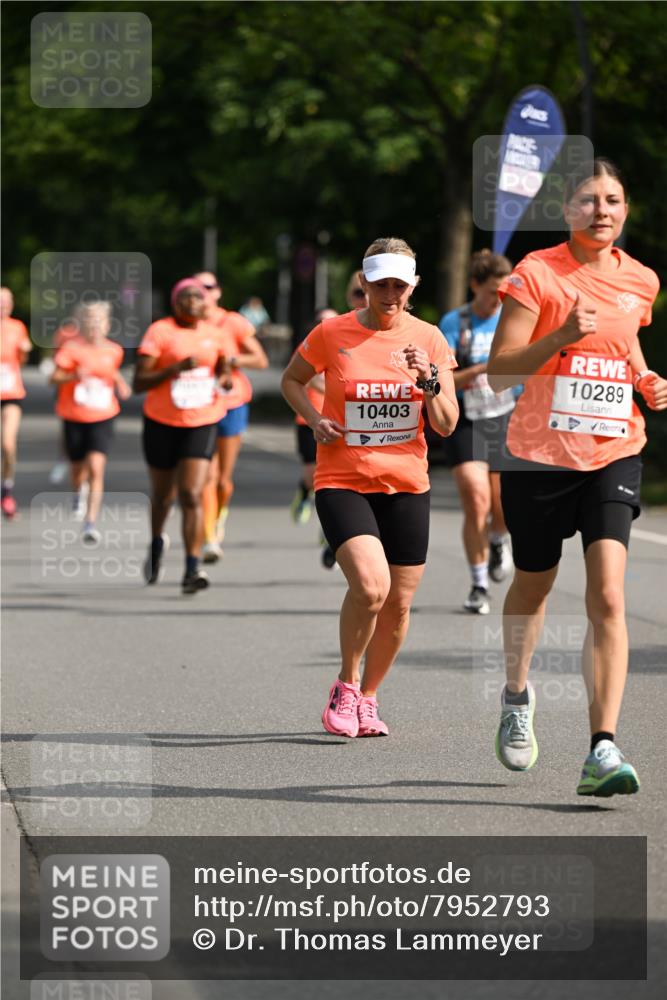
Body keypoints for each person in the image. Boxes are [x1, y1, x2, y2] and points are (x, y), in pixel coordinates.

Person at [487, 158, 665, 797]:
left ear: (626, 209)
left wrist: (644, 379)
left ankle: (603, 747)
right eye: (589, 201)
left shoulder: (640, 280)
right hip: (538, 456)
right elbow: (502, 371)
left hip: (614, 450)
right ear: (567, 211)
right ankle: (515, 695)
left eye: (614, 200)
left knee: (609, 595)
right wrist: (559, 335)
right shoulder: (537, 274)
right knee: (534, 586)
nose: (603, 211)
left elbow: (625, 347)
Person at [282, 237, 458, 737]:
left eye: (399, 285)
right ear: (363, 282)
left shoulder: (430, 340)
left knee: (399, 604)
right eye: (379, 283)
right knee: (371, 587)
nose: (389, 293)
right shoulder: (331, 332)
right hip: (343, 478)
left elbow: (445, 425)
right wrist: (314, 419)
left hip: (406, 483)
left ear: (413, 286)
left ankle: (369, 698)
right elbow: (292, 380)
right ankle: (346, 683)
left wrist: (429, 380)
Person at [133, 277, 231, 594]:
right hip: (161, 421)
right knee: (163, 496)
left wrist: (226, 377)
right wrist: (173, 369)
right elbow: (139, 381)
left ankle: (192, 567)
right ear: (175, 302)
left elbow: (221, 368)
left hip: (202, 420)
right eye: (186, 296)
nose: (193, 301)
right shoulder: (160, 332)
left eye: (198, 296)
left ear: (206, 303)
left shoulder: (215, 333)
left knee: (190, 493)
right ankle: (157, 542)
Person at [438, 250, 515, 615]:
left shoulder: (513, 320)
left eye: (503, 293)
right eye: (491, 292)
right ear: (474, 286)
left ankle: (499, 539)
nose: (497, 300)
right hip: (467, 419)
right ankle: (479, 584)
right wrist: (482, 369)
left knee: (502, 507)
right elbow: (443, 379)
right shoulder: (456, 323)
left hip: (504, 417)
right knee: (475, 497)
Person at [193, 272, 269, 563]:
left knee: (223, 479)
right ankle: (209, 538)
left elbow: (260, 360)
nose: (202, 291)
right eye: (196, 287)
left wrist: (232, 360)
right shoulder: (188, 323)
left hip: (231, 402)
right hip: (199, 405)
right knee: (207, 476)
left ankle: (220, 513)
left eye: (208, 286)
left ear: (218, 292)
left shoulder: (233, 322)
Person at [50, 301, 129, 542]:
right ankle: (78, 491)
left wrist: (121, 383)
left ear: (106, 325)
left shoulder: (114, 350)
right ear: (82, 324)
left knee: (96, 466)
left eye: (99, 322)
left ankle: (90, 523)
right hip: (74, 414)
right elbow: (54, 378)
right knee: (78, 469)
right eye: (90, 322)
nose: (94, 326)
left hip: (103, 415)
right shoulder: (71, 349)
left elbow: (111, 369)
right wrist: (74, 375)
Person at [290, 307, 338, 569]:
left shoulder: (346, 342)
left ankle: (332, 529)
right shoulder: (310, 344)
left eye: (330, 320)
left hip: (337, 421)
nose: (325, 325)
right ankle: (303, 490)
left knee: (330, 480)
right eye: (321, 321)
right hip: (309, 419)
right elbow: (302, 379)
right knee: (312, 476)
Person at [1, 287, 31, 519]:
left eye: (7, 301)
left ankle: (7, 491)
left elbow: (21, 360)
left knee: (8, 445)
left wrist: (24, 351)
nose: (3, 305)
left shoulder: (17, 327)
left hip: (10, 393)